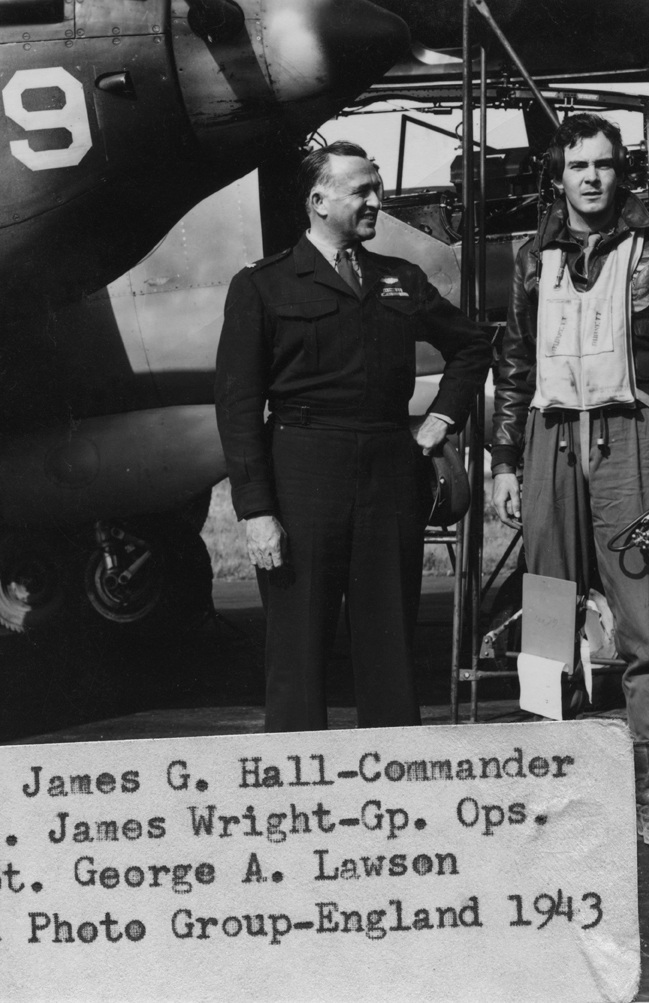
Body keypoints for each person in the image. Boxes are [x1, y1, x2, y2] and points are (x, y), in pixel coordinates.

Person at [491, 113, 649, 849]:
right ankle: (547, 773)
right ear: (556, 177)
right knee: (547, 604)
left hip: (630, 432)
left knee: (640, 615)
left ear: (624, 173)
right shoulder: (533, 256)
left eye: (605, 165)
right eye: (578, 166)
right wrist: (501, 458)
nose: (592, 178)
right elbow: (515, 360)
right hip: (549, 437)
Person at [215, 141, 491, 732]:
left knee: (390, 647)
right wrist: (256, 511)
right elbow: (238, 407)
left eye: (376, 188)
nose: (376, 201)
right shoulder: (262, 285)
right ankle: (296, 795)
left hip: (391, 474)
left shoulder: (400, 279)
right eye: (361, 190)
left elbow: (471, 346)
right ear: (318, 200)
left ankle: (394, 796)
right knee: (297, 649)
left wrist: (441, 417)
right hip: (301, 474)